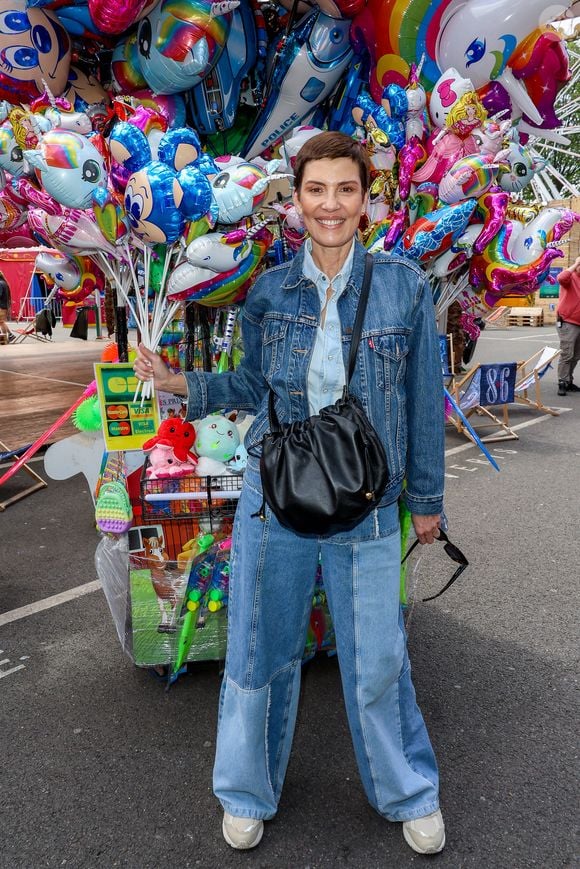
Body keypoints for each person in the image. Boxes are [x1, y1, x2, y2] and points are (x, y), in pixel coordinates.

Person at [134, 131, 446, 855]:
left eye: (345, 189)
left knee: (376, 658)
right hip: (274, 498)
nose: (330, 204)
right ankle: (246, 790)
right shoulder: (271, 290)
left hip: (366, 504)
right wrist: (182, 383)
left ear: (366, 200)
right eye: (315, 190)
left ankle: (407, 789)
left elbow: (423, 401)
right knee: (256, 651)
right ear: (295, 201)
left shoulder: (403, 284)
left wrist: (427, 501)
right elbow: (249, 387)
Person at [556, 254, 580, 396]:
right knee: (567, 353)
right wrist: (575, 264)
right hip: (567, 322)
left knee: (576, 355)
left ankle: (569, 381)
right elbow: (560, 278)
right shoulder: (570, 277)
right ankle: (562, 382)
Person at [0, 270, 14, 344]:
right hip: (4, 305)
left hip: (1, 306)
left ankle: (5, 336)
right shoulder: (4, 283)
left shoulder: (0, 283)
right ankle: (9, 335)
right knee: (1, 322)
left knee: (1, 322)